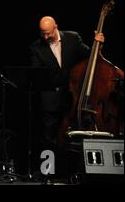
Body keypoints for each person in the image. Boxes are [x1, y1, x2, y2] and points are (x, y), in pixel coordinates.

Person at [29, 16, 104, 159]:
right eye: (42, 33)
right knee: (47, 139)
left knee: (71, 138)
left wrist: (98, 45)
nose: (45, 37)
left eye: (48, 33)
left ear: (56, 27)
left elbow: (90, 57)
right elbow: (38, 75)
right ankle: (48, 172)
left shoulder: (73, 38)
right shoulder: (35, 48)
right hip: (50, 100)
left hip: (73, 99)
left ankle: (70, 171)